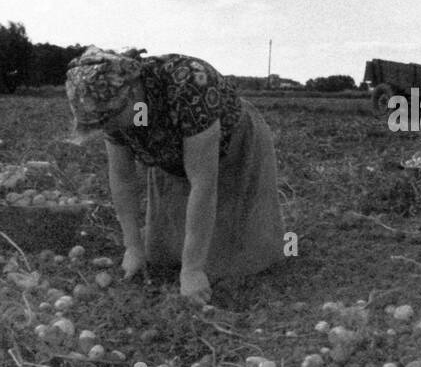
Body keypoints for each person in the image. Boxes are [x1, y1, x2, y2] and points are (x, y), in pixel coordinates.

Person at [65, 47, 285, 305]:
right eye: (101, 123)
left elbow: (203, 184)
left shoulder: (189, 86)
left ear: (132, 91)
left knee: (230, 262)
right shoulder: (114, 112)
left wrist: (192, 270)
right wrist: (133, 247)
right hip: (170, 156)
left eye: (110, 118)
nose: (108, 128)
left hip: (232, 148)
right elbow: (123, 177)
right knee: (162, 254)